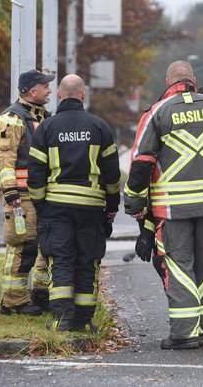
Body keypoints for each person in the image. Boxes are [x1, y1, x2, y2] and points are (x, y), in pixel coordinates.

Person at [124, 61, 203, 350]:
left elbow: (141, 162)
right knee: (202, 268)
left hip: (174, 208)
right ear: (193, 80)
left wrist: (134, 200)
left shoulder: (157, 113)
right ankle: (199, 329)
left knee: (178, 266)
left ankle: (184, 333)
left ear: (167, 80)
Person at [27, 74, 121, 332]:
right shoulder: (99, 126)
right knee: (87, 260)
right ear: (82, 94)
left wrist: (41, 207)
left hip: (56, 209)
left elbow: (35, 175)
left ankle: (63, 318)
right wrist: (111, 206)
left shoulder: (45, 128)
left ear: (59, 94)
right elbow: (112, 174)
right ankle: (83, 318)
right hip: (91, 209)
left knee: (61, 261)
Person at [0, 69, 55, 315]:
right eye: (45, 86)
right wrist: (11, 193)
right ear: (32, 91)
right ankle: (13, 301)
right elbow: (5, 160)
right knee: (23, 247)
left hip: (42, 196)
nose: (49, 90)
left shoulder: (43, 117)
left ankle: (40, 294)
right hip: (22, 198)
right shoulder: (12, 118)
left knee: (47, 246)